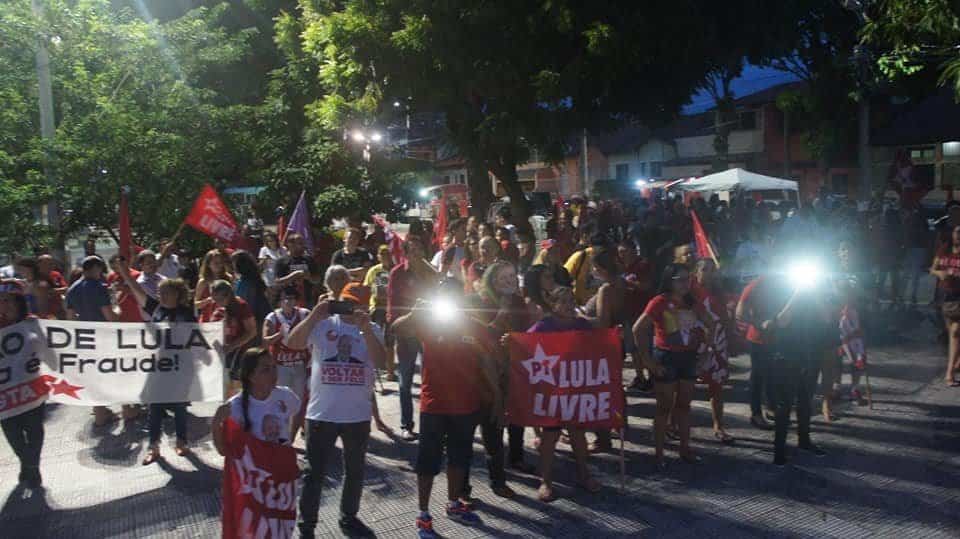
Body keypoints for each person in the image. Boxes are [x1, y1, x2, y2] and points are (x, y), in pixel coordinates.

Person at [392, 280, 499, 538]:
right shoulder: (428, 322)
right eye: (444, 296)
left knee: (459, 458)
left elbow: (487, 363)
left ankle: (453, 504)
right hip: (434, 406)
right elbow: (396, 329)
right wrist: (413, 314)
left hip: (466, 406)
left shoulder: (475, 327)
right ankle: (423, 515)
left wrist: (497, 397)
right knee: (427, 462)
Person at [286, 283, 387, 539]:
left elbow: (383, 363)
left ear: (365, 306)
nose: (349, 308)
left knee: (355, 472)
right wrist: (314, 315)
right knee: (313, 474)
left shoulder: (372, 329)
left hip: (357, 416)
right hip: (321, 414)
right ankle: (307, 525)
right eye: (345, 302)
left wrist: (366, 329)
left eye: (355, 304)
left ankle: (348, 517)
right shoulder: (323, 324)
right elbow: (292, 343)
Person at [633, 263, 714, 469]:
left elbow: (711, 323)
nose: (686, 284)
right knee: (664, 407)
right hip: (666, 357)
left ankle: (685, 449)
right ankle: (659, 453)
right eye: (681, 280)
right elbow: (638, 329)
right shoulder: (659, 302)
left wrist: (706, 351)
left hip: (688, 357)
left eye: (688, 279)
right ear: (669, 281)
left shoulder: (692, 302)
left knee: (684, 406)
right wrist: (647, 361)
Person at [527, 286, 602, 501]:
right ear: (553, 305)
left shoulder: (582, 325)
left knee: (578, 433)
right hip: (552, 390)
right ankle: (546, 481)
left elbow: (598, 345)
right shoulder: (543, 326)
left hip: (575, 388)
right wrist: (510, 342)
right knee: (550, 436)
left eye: (572, 301)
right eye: (564, 301)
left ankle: (584, 474)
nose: (570, 305)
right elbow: (525, 345)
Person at [116, 263, 195, 464]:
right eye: (160, 293)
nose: (162, 296)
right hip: (158, 367)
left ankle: (181, 442)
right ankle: (154, 447)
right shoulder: (156, 308)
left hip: (179, 368)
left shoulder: (186, 313)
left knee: (179, 407)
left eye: (166, 293)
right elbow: (136, 289)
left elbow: (195, 340)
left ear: (177, 294)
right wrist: (123, 270)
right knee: (155, 408)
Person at [388, 239, 440, 440]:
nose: (417, 254)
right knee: (405, 380)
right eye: (413, 250)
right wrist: (397, 325)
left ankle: (432, 425)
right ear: (406, 254)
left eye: (420, 249)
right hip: (407, 331)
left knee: (433, 379)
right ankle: (406, 424)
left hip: (429, 331)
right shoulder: (398, 273)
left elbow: (440, 295)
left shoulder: (430, 272)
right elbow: (393, 305)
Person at [211, 347, 301, 455]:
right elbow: (224, 452)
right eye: (266, 369)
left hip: (283, 462)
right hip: (254, 465)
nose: (274, 373)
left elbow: (298, 410)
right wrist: (216, 424)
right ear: (251, 376)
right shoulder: (235, 406)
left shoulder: (285, 395)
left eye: (274, 367)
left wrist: (290, 438)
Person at [0, 280, 45, 487]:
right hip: (4, 394)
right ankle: (28, 465)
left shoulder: (32, 323)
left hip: (31, 389)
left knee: (35, 431)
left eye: (8, 300)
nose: (4, 305)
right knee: (13, 434)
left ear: (19, 302)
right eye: (1, 301)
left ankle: (31, 467)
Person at [65, 256, 119, 427]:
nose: (101, 273)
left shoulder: (72, 289)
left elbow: (70, 318)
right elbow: (109, 316)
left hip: (85, 339)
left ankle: (100, 413)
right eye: (100, 269)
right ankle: (126, 410)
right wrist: (119, 312)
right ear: (95, 268)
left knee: (93, 376)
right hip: (103, 337)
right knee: (114, 372)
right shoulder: (98, 287)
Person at [690, 259, 735, 444]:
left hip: (718, 342)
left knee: (716, 386)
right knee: (684, 386)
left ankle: (719, 426)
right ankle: (673, 424)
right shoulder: (688, 292)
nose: (709, 273)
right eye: (705, 269)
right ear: (696, 271)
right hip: (694, 342)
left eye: (712, 270)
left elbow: (725, 319)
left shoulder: (720, 293)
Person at [262, 287, 311, 439]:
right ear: (279, 301)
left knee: (299, 401)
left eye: (291, 298)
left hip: (300, 365)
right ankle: (282, 434)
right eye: (285, 298)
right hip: (280, 366)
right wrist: (279, 334)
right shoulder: (272, 317)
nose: (288, 301)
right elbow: (265, 341)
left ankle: (293, 435)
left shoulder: (304, 314)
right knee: (281, 402)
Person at [736, 273, 778, 430]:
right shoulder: (755, 285)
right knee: (758, 377)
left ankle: (771, 408)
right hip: (758, 338)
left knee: (773, 375)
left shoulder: (784, 282)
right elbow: (739, 313)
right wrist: (759, 323)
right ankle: (756, 414)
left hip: (777, 338)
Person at [205, 280, 258, 396]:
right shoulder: (215, 305)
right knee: (223, 388)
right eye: (214, 298)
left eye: (219, 299)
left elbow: (252, 331)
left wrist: (232, 346)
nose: (216, 302)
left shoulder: (241, 306)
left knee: (236, 386)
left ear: (228, 295)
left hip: (239, 352)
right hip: (221, 351)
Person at [932, 225, 960, 386]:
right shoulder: (945, 249)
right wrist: (940, 273)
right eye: (957, 232)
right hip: (946, 296)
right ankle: (956, 361)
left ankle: (949, 373)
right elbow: (933, 268)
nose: (959, 235)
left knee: (955, 332)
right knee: (952, 333)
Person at [364, 245, 397, 381]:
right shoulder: (374, 271)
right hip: (376, 309)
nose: (385, 257)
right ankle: (372, 370)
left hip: (391, 309)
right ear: (378, 256)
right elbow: (367, 288)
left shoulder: (396, 270)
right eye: (382, 254)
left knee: (390, 340)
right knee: (374, 339)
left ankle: (390, 372)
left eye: (387, 253)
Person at [275, 233, 321, 308]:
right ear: (290, 244)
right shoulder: (281, 261)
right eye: (299, 243)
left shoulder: (309, 259)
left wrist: (309, 277)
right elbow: (277, 282)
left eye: (303, 243)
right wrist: (293, 275)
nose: (303, 245)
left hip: (307, 298)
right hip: (289, 299)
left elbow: (317, 280)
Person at [232, 250, 271, 329]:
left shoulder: (245, 283)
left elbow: (244, 305)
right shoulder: (255, 278)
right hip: (262, 319)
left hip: (255, 322)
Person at [194, 249, 234, 321]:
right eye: (216, 263)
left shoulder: (229, 278)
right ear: (208, 264)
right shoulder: (203, 282)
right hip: (207, 320)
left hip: (225, 318)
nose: (219, 265)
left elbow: (234, 298)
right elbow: (196, 305)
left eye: (221, 262)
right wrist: (208, 300)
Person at [135, 250, 167, 321]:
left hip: (166, 318)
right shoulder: (141, 283)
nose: (153, 264)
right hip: (151, 321)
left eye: (154, 261)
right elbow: (158, 302)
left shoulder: (163, 278)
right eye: (149, 263)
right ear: (141, 265)